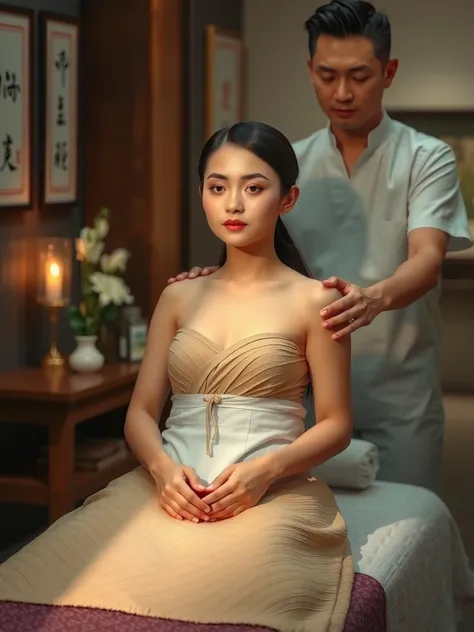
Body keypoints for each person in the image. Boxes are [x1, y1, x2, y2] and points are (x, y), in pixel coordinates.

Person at [0, 122, 354, 632]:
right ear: (203, 196)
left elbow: (338, 424)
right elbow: (141, 413)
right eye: (218, 187)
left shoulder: (317, 300)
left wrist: (266, 471)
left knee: (249, 604)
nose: (234, 203)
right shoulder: (179, 295)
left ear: (287, 198)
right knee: (41, 584)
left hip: (269, 493)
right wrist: (165, 473)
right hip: (169, 485)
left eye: (253, 188)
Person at [168, 0, 472, 493]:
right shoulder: (293, 162)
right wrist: (210, 279)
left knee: (406, 531)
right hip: (305, 395)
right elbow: (255, 244)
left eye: (360, 75)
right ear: (310, 69)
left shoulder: (426, 157)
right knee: (313, 539)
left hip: (400, 397)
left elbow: (428, 261)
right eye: (327, 75)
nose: (343, 92)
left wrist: (371, 298)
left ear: (389, 72)